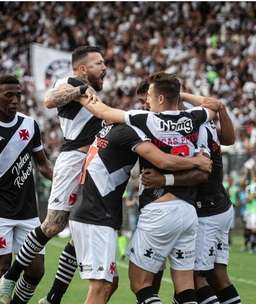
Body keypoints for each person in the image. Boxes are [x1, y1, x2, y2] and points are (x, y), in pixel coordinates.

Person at [79, 72, 219, 304]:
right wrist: (180, 93)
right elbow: (214, 105)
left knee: (140, 283)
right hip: (188, 212)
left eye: (151, 96)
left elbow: (102, 111)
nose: (147, 101)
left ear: (161, 98)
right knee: (185, 285)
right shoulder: (195, 116)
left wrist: (80, 92)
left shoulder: (146, 119)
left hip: (160, 209)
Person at [0, 46, 107, 304]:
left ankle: (51, 298)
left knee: (82, 227)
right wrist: (80, 89)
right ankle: (9, 278)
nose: (105, 67)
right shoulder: (69, 81)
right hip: (73, 160)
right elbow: (49, 100)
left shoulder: (30, 124)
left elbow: (42, 163)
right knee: (54, 225)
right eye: (99, 63)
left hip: (91, 163)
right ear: (82, 68)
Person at [142, 94, 241, 304]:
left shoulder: (191, 127)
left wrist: (163, 179)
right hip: (219, 205)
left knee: (195, 279)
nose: (147, 106)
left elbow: (202, 171)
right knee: (217, 276)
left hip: (207, 209)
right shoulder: (203, 123)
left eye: (149, 100)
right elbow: (229, 138)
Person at [0, 75, 53, 304]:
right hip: (1, 213)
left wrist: (64, 181)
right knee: (3, 267)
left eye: (18, 95)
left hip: (29, 211)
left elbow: (42, 164)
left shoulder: (29, 125)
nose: (15, 100)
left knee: (36, 270)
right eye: (8, 95)